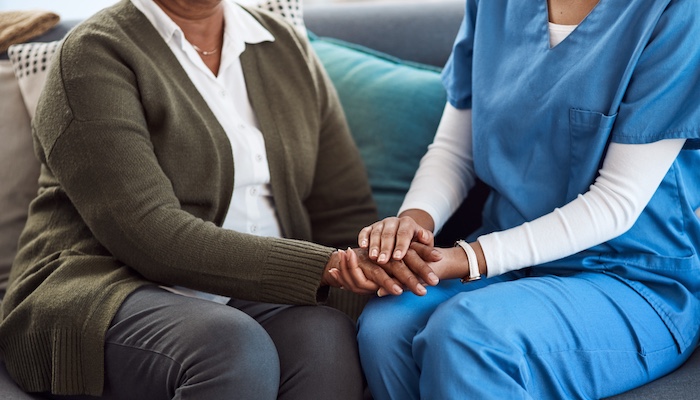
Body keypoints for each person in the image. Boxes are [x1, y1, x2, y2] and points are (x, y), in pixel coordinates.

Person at [0, 0, 432, 398]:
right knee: (232, 347)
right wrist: (328, 267)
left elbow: (343, 213)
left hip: (248, 298)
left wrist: (371, 263)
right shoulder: (93, 54)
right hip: (101, 287)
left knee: (325, 338)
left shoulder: (283, 46)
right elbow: (150, 236)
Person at [344, 0, 700, 398]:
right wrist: (412, 224)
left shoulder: (676, 11)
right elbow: (455, 150)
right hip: (509, 262)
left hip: (627, 275)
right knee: (386, 326)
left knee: (470, 336)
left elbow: (616, 202)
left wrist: (467, 259)